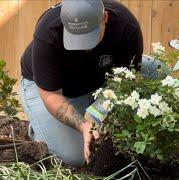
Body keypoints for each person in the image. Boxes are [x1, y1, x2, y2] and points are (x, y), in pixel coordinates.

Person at [19, 0, 143, 166]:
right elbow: (50, 95)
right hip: (53, 90)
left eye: (90, 36)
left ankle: (87, 107)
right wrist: (84, 125)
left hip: (99, 80)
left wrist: (97, 112)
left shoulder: (126, 26)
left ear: (105, 17)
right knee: (75, 157)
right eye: (76, 38)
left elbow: (128, 79)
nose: (84, 47)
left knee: (156, 71)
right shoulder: (48, 31)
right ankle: (41, 127)